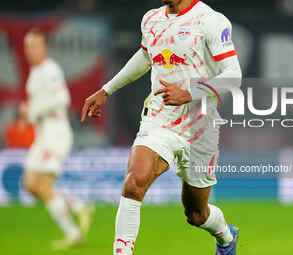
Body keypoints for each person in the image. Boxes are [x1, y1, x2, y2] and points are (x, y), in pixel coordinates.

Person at [81, 0, 242, 254]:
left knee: (196, 214)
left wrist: (189, 92)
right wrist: (106, 89)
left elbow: (233, 75)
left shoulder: (211, 21)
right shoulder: (151, 19)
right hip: (159, 118)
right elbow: (146, 56)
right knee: (134, 183)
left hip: (200, 126)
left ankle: (225, 236)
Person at [22, 28, 93, 250]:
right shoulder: (35, 73)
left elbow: (62, 98)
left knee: (43, 185)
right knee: (30, 185)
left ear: (44, 48)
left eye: (35, 46)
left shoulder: (50, 70)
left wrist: (32, 110)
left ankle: (73, 233)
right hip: (42, 134)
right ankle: (78, 205)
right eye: (27, 47)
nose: (30, 51)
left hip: (55, 133)